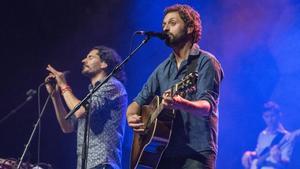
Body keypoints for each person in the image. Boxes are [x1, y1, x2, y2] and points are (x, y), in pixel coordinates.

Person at [126, 4, 223, 169]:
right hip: (164, 152)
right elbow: (136, 103)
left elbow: (207, 107)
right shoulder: (162, 69)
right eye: (163, 25)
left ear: (190, 28)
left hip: (196, 152)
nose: (165, 28)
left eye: (172, 23)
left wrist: (181, 103)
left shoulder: (206, 62)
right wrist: (131, 117)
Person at [45, 46, 128, 169]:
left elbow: (79, 111)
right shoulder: (91, 95)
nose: (84, 60)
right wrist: (55, 96)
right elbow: (67, 127)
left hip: (103, 163)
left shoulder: (112, 86)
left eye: (90, 57)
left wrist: (63, 85)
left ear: (104, 64)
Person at [241, 101, 295, 169]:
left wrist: (279, 159)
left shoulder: (287, 137)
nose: (270, 120)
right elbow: (259, 153)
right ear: (263, 117)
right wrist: (250, 154)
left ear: (279, 115)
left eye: (272, 116)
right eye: (266, 116)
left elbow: (287, 164)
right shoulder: (262, 134)